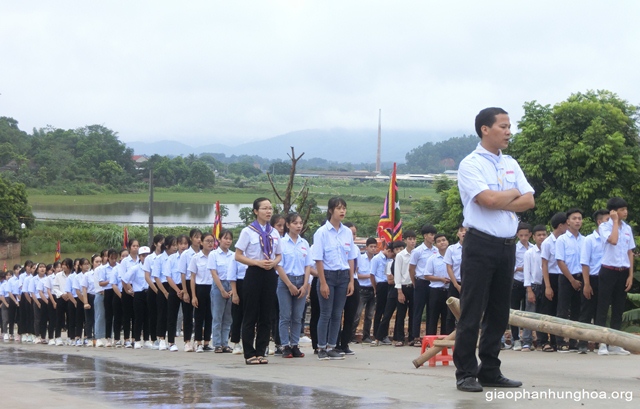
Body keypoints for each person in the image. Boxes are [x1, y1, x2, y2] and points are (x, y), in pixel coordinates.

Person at [454, 107, 535, 392]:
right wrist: (512, 193)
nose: (509, 131)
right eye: (503, 126)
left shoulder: (510, 162)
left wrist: (505, 198)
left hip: (506, 247)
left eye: (509, 126)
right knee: (472, 311)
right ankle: (465, 372)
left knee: (499, 312)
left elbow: (530, 201)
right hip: (480, 245)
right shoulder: (470, 164)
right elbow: (486, 200)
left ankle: (489, 369)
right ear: (485, 129)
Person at [234, 197, 283, 365]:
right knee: (250, 314)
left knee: (266, 315)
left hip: (270, 274)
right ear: (256, 211)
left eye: (270, 208)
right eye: (264, 208)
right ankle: (249, 353)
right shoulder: (248, 231)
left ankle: (261, 351)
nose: (268, 211)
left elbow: (279, 255)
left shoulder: (274, 232)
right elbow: (238, 255)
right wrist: (257, 262)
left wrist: (274, 263)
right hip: (254, 272)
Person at [312, 197, 357, 361]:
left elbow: (351, 258)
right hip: (328, 276)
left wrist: (351, 281)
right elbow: (318, 259)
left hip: (343, 276)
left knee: (337, 314)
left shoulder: (346, 232)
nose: (342, 211)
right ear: (331, 210)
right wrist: (322, 282)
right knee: (326, 313)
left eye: (344, 208)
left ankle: (332, 346)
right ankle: (321, 347)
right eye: (339, 208)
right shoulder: (321, 232)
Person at [596, 197, 634, 356]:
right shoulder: (605, 226)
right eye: (622, 209)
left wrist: (630, 275)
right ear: (614, 211)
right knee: (603, 307)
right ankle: (601, 342)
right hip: (608, 270)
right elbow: (613, 240)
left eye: (626, 209)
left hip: (622, 271)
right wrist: (615, 222)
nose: (625, 212)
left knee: (618, 308)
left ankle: (615, 344)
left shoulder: (628, 228)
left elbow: (629, 251)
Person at [275, 212, 312, 358]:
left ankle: (295, 345)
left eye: (300, 223)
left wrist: (305, 285)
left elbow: (308, 265)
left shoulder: (304, 243)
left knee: (297, 316)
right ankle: (285, 346)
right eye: (295, 223)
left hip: (301, 280)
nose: (298, 226)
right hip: (285, 281)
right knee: (285, 315)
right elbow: (278, 266)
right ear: (288, 225)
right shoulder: (281, 243)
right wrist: (289, 284)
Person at [577, 210, 609, 354]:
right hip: (591, 278)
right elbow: (585, 263)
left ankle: (600, 342)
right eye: (608, 220)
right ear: (600, 222)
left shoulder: (610, 239)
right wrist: (586, 284)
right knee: (586, 311)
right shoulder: (589, 240)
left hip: (606, 278)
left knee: (601, 312)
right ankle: (582, 343)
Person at [555, 208, 585, 352]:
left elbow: (586, 262)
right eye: (574, 218)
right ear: (568, 222)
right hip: (566, 278)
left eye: (579, 218)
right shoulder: (562, 239)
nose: (577, 221)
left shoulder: (585, 240)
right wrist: (572, 280)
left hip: (581, 278)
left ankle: (573, 342)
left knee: (577, 311)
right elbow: (560, 262)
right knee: (563, 310)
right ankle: (560, 341)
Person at [540, 212, 568, 352]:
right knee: (548, 310)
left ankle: (558, 340)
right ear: (561, 225)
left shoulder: (566, 240)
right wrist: (548, 286)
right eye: (567, 224)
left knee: (561, 310)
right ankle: (545, 341)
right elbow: (544, 264)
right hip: (550, 277)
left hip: (563, 277)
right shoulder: (547, 243)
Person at [409, 224, 438, 347]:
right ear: (425, 236)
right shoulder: (417, 251)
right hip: (420, 281)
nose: (433, 237)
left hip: (433, 282)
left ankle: (430, 337)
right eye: (431, 235)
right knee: (418, 310)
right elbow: (412, 268)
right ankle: (415, 337)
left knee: (431, 310)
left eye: (434, 234)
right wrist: (415, 282)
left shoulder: (436, 250)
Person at [209, 229, 236, 353]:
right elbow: (214, 273)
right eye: (225, 238)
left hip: (231, 286)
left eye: (230, 239)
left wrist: (231, 290)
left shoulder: (234, 255)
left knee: (228, 317)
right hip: (218, 285)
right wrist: (222, 290)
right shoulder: (214, 254)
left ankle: (225, 343)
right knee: (217, 316)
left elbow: (234, 272)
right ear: (219, 240)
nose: (228, 241)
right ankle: (217, 343)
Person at [522, 225, 547, 352]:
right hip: (534, 286)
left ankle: (543, 342)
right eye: (539, 235)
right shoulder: (529, 253)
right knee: (529, 314)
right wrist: (529, 290)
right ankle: (526, 341)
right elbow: (527, 273)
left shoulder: (549, 250)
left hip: (546, 286)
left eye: (544, 234)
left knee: (543, 314)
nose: (542, 237)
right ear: (534, 237)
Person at [376, 241, 406, 346]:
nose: (399, 251)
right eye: (397, 249)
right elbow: (390, 280)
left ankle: (399, 338)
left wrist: (400, 279)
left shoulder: (406, 260)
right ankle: (379, 337)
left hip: (403, 290)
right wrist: (400, 279)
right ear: (393, 251)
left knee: (401, 315)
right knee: (387, 314)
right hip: (393, 291)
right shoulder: (389, 263)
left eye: (401, 249)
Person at [336, 222, 360, 355]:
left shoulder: (355, 249)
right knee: (337, 314)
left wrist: (352, 281)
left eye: (354, 234)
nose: (352, 236)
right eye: (350, 233)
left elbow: (357, 268)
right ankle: (335, 342)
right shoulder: (339, 247)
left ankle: (345, 343)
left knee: (351, 315)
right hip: (340, 279)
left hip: (353, 281)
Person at [190, 232, 215, 353]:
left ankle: (206, 343)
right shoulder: (196, 257)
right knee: (199, 316)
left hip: (212, 287)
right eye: (207, 241)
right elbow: (193, 277)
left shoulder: (215, 256)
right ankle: (198, 342)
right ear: (201, 243)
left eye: (212, 241)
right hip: (200, 288)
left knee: (210, 316)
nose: (210, 243)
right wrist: (193, 295)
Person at [123, 245, 151, 349]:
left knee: (147, 317)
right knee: (138, 318)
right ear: (139, 256)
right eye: (143, 255)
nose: (145, 257)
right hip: (138, 294)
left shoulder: (151, 268)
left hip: (149, 293)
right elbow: (125, 279)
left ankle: (147, 339)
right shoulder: (135, 268)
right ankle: (137, 340)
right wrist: (128, 291)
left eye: (147, 255)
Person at [509, 223, 531, 351]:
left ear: (530, 235)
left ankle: (527, 340)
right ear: (517, 235)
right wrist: (520, 268)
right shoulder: (514, 248)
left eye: (526, 235)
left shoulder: (532, 248)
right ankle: (516, 339)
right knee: (515, 311)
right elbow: (510, 266)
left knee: (527, 313)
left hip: (528, 283)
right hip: (517, 281)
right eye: (521, 235)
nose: (523, 238)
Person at [179, 228, 201, 352]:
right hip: (188, 283)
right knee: (187, 314)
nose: (198, 239)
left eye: (200, 237)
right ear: (191, 238)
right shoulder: (186, 254)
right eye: (196, 237)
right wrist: (185, 291)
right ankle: (187, 341)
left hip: (200, 283)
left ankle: (198, 341)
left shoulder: (204, 253)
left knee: (199, 315)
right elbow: (183, 274)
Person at [370, 243, 396, 346]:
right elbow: (372, 275)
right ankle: (377, 334)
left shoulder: (390, 260)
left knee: (387, 311)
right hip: (380, 285)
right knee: (379, 311)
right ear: (388, 250)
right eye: (392, 253)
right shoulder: (376, 259)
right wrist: (375, 288)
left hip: (389, 285)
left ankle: (384, 334)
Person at [424, 234, 451, 336]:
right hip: (435, 291)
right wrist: (440, 279)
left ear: (447, 242)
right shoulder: (433, 259)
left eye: (444, 240)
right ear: (436, 244)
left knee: (447, 317)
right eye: (439, 241)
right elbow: (427, 275)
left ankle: (445, 340)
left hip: (449, 290)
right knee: (433, 317)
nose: (442, 242)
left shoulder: (452, 257)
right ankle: (431, 341)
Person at [394, 231, 416, 345]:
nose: (412, 241)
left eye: (414, 239)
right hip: (403, 286)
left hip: (415, 286)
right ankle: (400, 338)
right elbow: (397, 274)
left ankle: (412, 337)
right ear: (405, 240)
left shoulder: (417, 253)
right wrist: (399, 291)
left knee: (413, 312)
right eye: (410, 239)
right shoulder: (400, 255)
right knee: (401, 313)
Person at [354, 237, 377, 344]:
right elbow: (357, 274)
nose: (373, 249)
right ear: (366, 247)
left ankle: (366, 336)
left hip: (372, 289)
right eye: (371, 247)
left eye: (375, 247)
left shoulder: (376, 260)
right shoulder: (361, 259)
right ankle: (351, 335)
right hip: (362, 289)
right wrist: (370, 276)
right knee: (357, 313)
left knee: (369, 314)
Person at [143, 234, 164, 350]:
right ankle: (154, 339)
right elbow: (147, 276)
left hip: (164, 286)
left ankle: (162, 337)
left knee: (162, 314)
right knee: (153, 314)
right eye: (160, 242)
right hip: (153, 287)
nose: (162, 245)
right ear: (155, 244)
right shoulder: (149, 258)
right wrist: (157, 290)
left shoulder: (166, 257)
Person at [269, 214, 286, 356]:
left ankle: (282, 342)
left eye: (282, 226)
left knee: (283, 314)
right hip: (273, 278)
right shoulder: (270, 241)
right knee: (273, 313)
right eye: (278, 225)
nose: (281, 229)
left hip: (285, 279)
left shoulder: (285, 241)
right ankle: (275, 342)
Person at [444, 226, 465, 334]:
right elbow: (449, 267)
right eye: (461, 231)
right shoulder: (451, 249)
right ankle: (449, 336)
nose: (464, 233)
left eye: (466, 231)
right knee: (451, 312)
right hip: (455, 282)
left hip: (469, 284)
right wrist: (456, 285)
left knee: (468, 311)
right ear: (457, 234)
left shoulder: (474, 248)